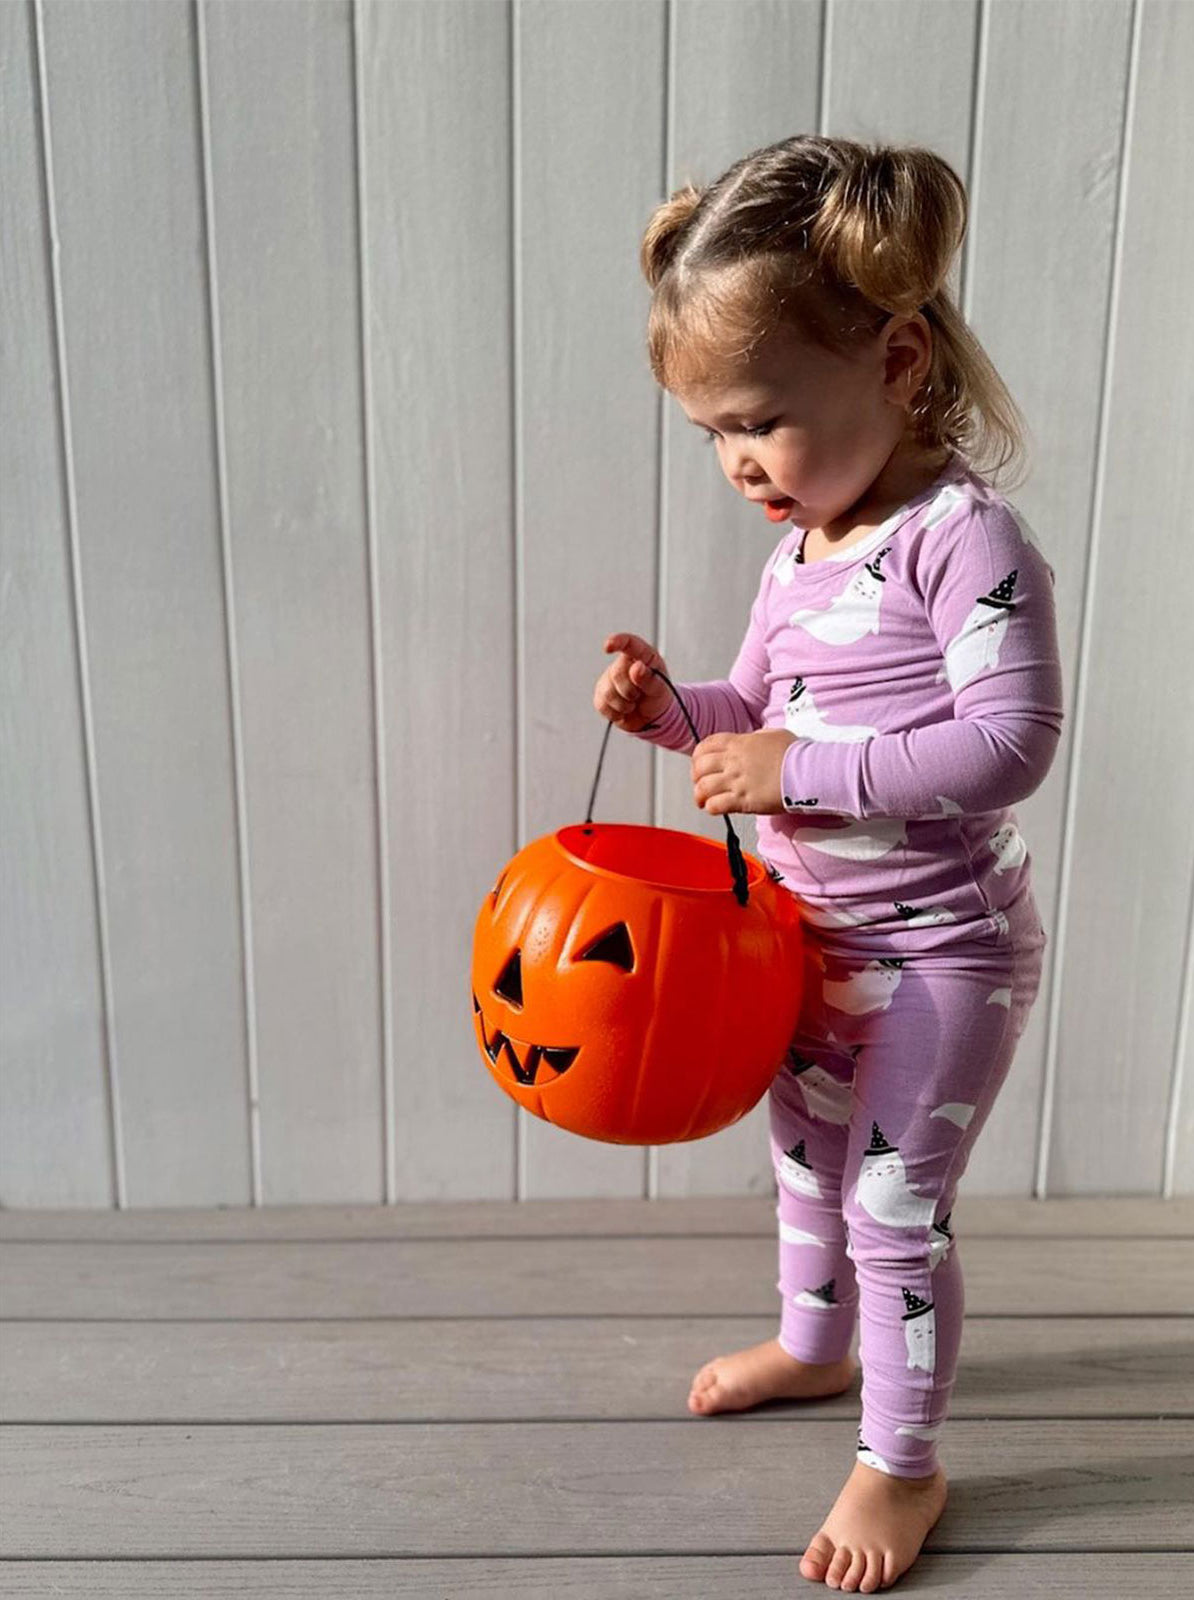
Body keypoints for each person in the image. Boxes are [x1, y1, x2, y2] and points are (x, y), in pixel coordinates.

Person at [592, 135, 1064, 1594]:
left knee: (891, 1208)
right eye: (712, 434)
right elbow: (750, 713)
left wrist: (802, 772)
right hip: (806, 946)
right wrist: (675, 711)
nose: (740, 462)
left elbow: (1007, 739)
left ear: (900, 364)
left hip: (938, 958)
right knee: (804, 1165)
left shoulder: (960, 544)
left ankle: (901, 1468)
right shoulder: (795, 550)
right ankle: (813, 1345)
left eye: (762, 421)